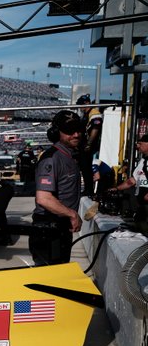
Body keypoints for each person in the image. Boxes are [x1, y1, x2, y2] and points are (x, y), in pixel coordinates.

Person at [29, 110, 83, 266]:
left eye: (78, 129)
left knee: (59, 278)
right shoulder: (51, 159)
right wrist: (72, 214)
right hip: (47, 229)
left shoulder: (69, 156)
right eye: (69, 131)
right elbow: (44, 198)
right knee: (49, 282)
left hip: (60, 229)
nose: (76, 134)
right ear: (55, 132)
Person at [108, 134, 148, 221]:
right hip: (141, 204)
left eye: (140, 143)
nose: (137, 146)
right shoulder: (143, 161)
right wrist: (117, 188)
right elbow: (132, 181)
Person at [77, 94, 104, 197]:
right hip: (85, 145)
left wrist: (89, 144)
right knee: (84, 168)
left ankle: (89, 190)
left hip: (91, 146)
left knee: (87, 168)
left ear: (87, 103)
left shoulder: (94, 113)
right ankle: (88, 189)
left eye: (81, 104)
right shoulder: (86, 114)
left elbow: (95, 129)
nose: (80, 107)